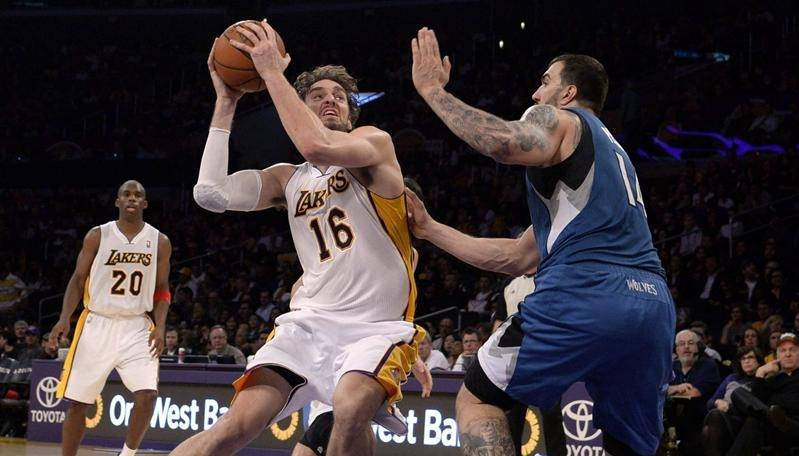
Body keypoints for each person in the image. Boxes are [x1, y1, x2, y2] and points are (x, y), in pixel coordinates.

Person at [409, 28, 675, 455]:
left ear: (568, 93)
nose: (536, 94)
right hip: (652, 308)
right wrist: (429, 228)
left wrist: (432, 92)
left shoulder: (561, 119)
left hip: (585, 291)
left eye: (545, 81)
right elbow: (517, 257)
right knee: (629, 446)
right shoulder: (613, 156)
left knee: (478, 398)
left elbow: (503, 142)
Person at [172, 22, 423, 456]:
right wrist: (226, 103)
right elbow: (209, 194)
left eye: (339, 96)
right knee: (233, 428)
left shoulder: (373, 144)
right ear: (300, 108)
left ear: (351, 113)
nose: (330, 100)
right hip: (310, 324)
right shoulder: (287, 179)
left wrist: (271, 72)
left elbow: (316, 146)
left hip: (374, 328)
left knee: (350, 411)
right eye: (317, 96)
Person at [50, 180, 172, 456]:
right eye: (126, 194)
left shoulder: (160, 242)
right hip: (97, 323)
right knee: (79, 404)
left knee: (148, 395)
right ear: (117, 201)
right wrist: (64, 317)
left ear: (145, 203)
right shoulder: (97, 235)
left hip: (137, 325)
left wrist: (161, 326)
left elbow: (162, 289)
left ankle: (127, 455)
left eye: (138, 195)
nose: (132, 198)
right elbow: (78, 279)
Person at [724, 332, 799, 454]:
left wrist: (775, 405)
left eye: (793, 350)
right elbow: (754, 400)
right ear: (777, 356)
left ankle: (772, 417)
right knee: (738, 393)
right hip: (772, 428)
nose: (788, 354)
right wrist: (760, 373)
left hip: (794, 426)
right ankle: (770, 416)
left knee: (754, 420)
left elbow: (793, 404)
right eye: (783, 351)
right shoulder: (773, 379)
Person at [702, 346, 764, 456]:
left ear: (759, 361)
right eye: (743, 359)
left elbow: (756, 407)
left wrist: (729, 408)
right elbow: (710, 402)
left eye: (750, 357)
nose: (746, 361)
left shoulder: (761, 381)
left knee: (712, 425)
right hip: (722, 418)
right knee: (715, 418)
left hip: (743, 423)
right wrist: (717, 402)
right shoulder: (731, 378)